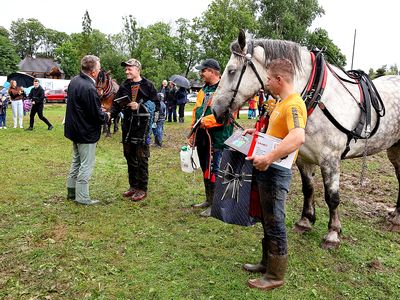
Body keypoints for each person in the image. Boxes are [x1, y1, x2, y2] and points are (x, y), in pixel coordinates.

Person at [243, 58, 307, 291]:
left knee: (275, 221)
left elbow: (297, 137)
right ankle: (266, 263)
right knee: (267, 218)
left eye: (269, 78)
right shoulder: (281, 102)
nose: (267, 82)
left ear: (280, 79)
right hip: (268, 169)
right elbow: (277, 134)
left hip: (276, 171)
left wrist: (269, 157)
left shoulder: (293, 104)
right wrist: (257, 134)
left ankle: (275, 275)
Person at [189, 58, 235, 217]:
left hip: (218, 138)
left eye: (203, 70)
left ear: (212, 71)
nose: (201, 73)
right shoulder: (203, 90)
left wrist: (206, 122)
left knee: (216, 170)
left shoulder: (225, 89)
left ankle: (216, 206)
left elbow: (229, 115)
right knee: (205, 168)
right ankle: (209, 199)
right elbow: (196, 111)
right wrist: (193, 132)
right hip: (202, 138)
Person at [110, 58, 159, 202]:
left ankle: (142, 188)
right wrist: (109, 115)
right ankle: (133, 186)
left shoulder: (148, 85)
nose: (126, 71)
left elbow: (156, 104)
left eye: (129, 68)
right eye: (126, 69)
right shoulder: (124, 85)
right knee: (129, 155)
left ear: (137, 69)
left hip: (142, 127)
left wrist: (139, 106)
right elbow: (116, 103)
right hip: (128, 126)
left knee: (141, 157)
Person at [64, 55, 110, 205]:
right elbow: (96, 115)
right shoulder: (89, 87)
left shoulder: (74, 81)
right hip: (85, 131)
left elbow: (82, 107)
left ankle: (71, 192)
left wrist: (97, 108)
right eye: (98, 67)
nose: (99, 69)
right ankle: (82, 197)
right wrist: (106, 115)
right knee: (86, 164)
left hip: (74, 129)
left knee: (76, 161)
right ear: (93, 72)